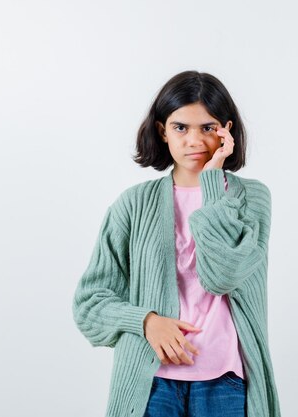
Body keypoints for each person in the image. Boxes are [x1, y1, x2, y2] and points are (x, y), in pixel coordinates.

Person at [72, 70, 281, 417]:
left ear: (227, 131)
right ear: (162, 131)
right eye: (180, 127)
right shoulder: (133, 204)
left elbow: (222, 276)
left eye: (208, 128)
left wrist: (213, 180)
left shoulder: (251, 199)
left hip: (225, 381)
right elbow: (89, 303)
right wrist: (147, 321)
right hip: (151, 380)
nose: (194, 141)